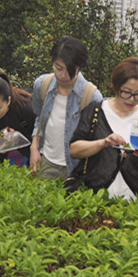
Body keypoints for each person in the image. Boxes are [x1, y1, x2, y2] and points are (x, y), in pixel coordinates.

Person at [68, 57, 138, 200]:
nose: (131, 99)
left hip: (135, 202)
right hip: (95, 197)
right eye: (126, 92)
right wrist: (103, 143)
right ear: (115, 86)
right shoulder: (95, 111)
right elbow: (74, 150)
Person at [30, 36, 103, 179]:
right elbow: (39, 118)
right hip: (46, 161)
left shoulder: (91, 96)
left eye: (69, 70)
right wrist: (34, 147)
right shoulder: (42, 85)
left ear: (79, 67)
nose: (62, 75)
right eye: (58, 68)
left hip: (76, 168)